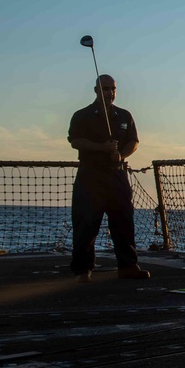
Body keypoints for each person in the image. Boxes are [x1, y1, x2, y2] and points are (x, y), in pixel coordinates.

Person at [68, 74, 150, 282]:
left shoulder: (124, 116)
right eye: (105, 89)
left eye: (113, 89)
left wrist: (121, 154)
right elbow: (75, 141)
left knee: (123, 221)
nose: (109, 93)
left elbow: (134, 141)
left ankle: (128, 265)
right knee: (86, 223)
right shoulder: (82, 115)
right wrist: (101, 148)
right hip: (91, 176)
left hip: (117, 174)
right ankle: (83, 269)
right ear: (96, 91)